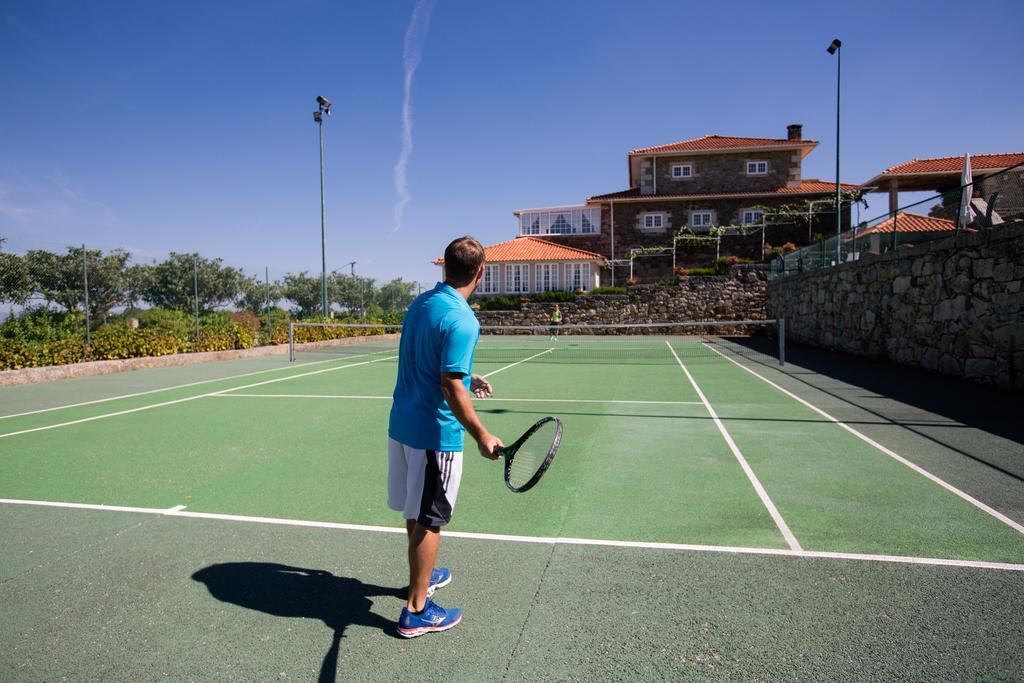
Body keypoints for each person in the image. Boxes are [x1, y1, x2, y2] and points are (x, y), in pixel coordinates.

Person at [387, 235, 503, 638]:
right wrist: (482, 434)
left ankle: (425, 574)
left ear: (444, 268)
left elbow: (435, 363)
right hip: (435, 435)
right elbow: (450, 385)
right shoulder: (465, 319)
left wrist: (467, 378)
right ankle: (416, 610)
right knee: (431, 520)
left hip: (401, 426)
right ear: (481, 273)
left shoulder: (421, 304)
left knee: (414, 510)